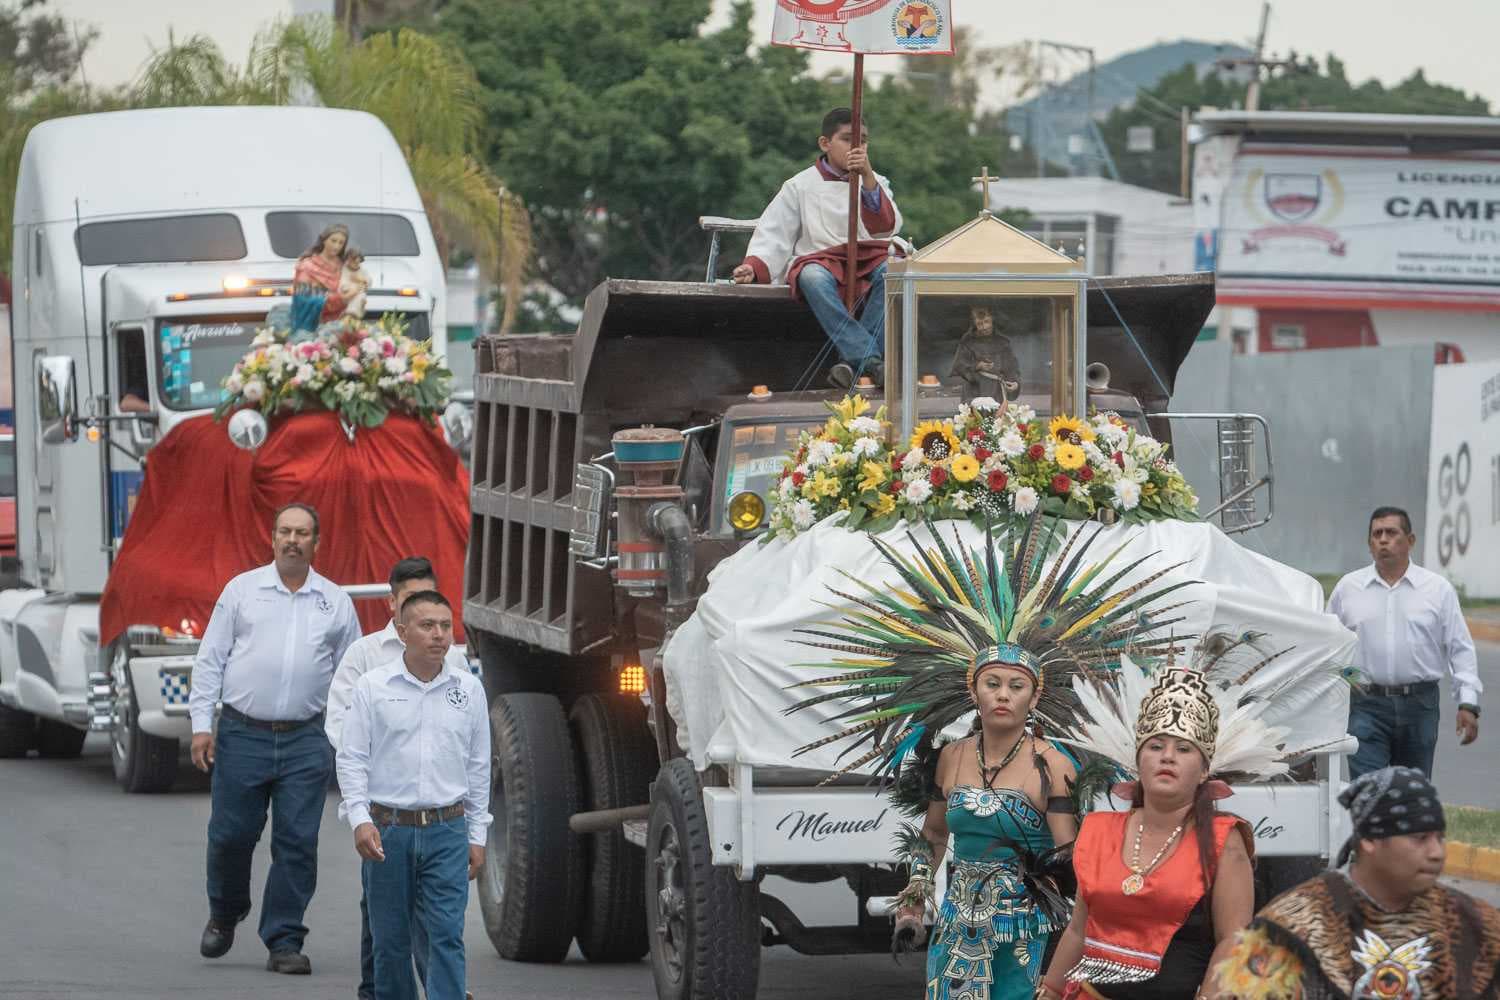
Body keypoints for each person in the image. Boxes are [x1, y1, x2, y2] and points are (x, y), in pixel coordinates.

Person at [785, 512, 1192, 1000]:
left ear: (1034, 697)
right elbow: (933, 836)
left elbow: (1070, 858)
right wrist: (914, 901)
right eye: (992, 683)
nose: (1003, 695)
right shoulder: (952, 757)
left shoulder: (1053, 763)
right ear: (973, 691)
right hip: (957, 926)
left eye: (1016, 686)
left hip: (1024, 932)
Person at [1038, 624, 1354, 1000]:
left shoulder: (1224, 841)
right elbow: (1078, 929)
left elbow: (1233, 942)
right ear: (1137, 760)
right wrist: (1051, 990)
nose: (1167, 756)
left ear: (1205, 770)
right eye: (1156, 746)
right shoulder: (1099, 830)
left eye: (1184, 750)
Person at [189, 502, 363, 974]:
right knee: (231, 836)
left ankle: (284, 939)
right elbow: (211, 660)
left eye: (302, 533)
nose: (292, 540)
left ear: (316, 542)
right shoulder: (242, 592)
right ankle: (225, 912)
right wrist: (201, 725)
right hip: (243, 734)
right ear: (272, 537)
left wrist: (350, 741)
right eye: (285, 531)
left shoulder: (335, 602)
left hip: (306, 739)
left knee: (297, 842)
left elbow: (353, 678)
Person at [1212, 765, 1500, 999]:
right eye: (1419, 839)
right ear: (1371, 840)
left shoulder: (1478, 925)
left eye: (1440, 838)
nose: (1437, 853)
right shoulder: (1289, 927)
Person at [326, 556, 473, 1000]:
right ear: (394, 605)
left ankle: (442, 988)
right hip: (385, 812)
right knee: (385, 924)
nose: (429, 621)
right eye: (412, 602)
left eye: (435, 610)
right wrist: (365, 803)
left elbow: (469, 744)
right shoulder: (366, 657)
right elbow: (341, 728)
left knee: (440, 922)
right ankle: (377, 991)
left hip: (439, 817)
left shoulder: (457, 665)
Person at [732, 107, 902, 390]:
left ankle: (853, 362)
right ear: (825, 143)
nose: (857, 147)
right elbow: (775, 232)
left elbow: (885, 228)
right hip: (821, 260)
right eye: (848, 139)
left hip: (867, 256)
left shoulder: (876, 182)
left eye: (864, 140)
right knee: (810, 276)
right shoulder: (799, 185)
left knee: (893, 271)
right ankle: (871, 360)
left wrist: (868, 178)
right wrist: (754, 266)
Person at [1328, 505, 1482, 779]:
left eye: (1391, 532)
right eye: (1377, 534)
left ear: (1410, 541)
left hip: (1419, 706)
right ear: (1369, 543)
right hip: (1365, 705)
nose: (1383, 539)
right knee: (1367, 793)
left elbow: (1460, 648)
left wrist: (1467, 703)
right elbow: (1327, 645)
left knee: (1412, 795)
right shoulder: (1348, 589)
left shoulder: (1437, 590)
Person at [950, 304, 1022, 403]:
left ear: (992, 320)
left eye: (987, 322)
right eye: (980, 324)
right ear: (974, 325)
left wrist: (1015, 383)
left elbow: (1012, 368)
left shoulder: (1003, 342)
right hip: (973, 392)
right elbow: (958, 366)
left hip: (996, 392)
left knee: (996, 417)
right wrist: (977, 366)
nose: (984, 327)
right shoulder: (967, 342)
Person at [291, 223, 350, 334]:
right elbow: (303, 297)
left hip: (340, 326)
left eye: (341, 243)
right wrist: (337, 299)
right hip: (313, 328)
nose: (337, 246)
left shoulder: (344, 266)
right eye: (333, 241)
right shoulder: (308, 266)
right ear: (324, 240)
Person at [340, 247, 371, 320]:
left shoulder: (363, 271)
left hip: (358, 296)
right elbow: (343, 285)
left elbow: (368, 282)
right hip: (346, 295)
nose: (356, 263)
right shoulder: (343, 270)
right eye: (353, 260)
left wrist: (360, 280)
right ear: (347, 260)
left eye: (358, 261)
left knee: (360, 298)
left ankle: (351, 315)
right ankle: (348, 315)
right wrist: (353, 289)